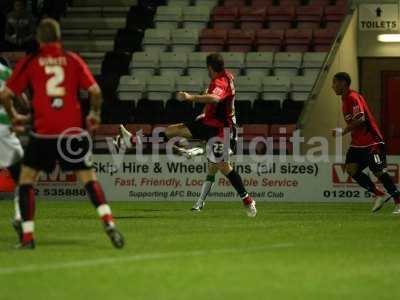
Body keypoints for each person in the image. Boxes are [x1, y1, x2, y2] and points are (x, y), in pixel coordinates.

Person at [0, 18, 125, 249]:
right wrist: (94, 114)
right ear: (59, 37)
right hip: (72, 134)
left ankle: (28, 237)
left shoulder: (32, 61)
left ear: (38, 38)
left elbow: (6, 94)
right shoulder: (71, 59)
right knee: (89, 179)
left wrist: (15, 116)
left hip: (43, 134)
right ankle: (109, 222)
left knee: (27, 180)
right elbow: (95, 91)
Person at [116, 53, 257, 217]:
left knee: (223, 166)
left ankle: (247, 200)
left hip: (221, 129)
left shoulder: (221, 80)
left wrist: (191, 97)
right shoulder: (226, 76)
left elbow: (215, 98)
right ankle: (132, 141)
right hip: (207, 123)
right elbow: (217, 96)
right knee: (171, 131)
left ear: (210, 68)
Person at [331, 72, 400, 214]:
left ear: (343, 83)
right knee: (351, 169)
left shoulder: (352, 97)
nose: (333, 87)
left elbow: (361, 118)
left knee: (378, 171)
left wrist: (342, 132)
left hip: (372, 142)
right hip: (357, 144)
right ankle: (378, 194)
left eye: (334, 83)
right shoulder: (345, 99)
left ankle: (398, 201)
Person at [0, 57, 24, 236]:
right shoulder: (6, 73)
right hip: (2, 131)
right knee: (23, 178)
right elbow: (22, 98)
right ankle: (19, 216)